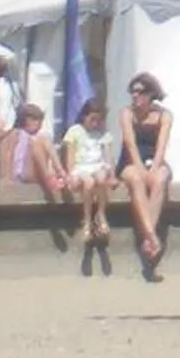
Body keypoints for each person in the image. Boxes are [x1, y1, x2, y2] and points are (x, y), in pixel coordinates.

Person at [117, 73, 174, 279]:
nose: (135, 96)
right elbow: (130, 143)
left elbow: (162, 145)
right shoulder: (126, 114)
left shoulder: (164, 115)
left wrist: (155, 166)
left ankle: (147, 238)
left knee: (160, 179)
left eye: (140, 92)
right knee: (135, 179)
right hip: (132, 160)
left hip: (154, 159)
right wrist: (141, 168)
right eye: (133, 91)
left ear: (151, 94)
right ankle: (151, 235)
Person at [61, 95, 116, 273]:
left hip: (98, 166)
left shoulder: (104, 135)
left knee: (100, 178)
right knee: (89, 181)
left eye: (98, 120)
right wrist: (70, 174)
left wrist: (112, 174)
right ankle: (87, 220)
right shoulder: (74, 132)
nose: (95, 123)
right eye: (92, 119)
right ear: (84, 116)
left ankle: (100, 215)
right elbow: (70, 157)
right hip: (81, 168)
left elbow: (108, 158)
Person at [2, 102, 67, 209]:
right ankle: (50, 178)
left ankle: (60, 173)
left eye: (40, 121)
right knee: (36, 144)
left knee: (45, 139)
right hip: (23, 172)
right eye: (36, 120)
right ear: (26, 120)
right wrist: (7, 177)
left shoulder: (41, 135)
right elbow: (8, 154)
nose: (39, 124)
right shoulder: (17, 133)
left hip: (37, 172)